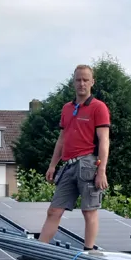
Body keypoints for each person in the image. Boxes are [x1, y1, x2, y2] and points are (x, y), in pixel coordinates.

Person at [38, 64, 110, 250]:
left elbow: (104, 140)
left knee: (89, 211)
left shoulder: (98, 107)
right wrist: (52, 165)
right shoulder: (67, 108)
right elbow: (62, 139)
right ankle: (39, 250)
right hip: (68, 165)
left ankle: (88, 252)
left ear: (92, 82)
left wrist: (101, 170)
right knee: (54, 211)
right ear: (73, 82)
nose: (82, 83)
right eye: (78, 80)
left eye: (85, 80)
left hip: (88, 163)